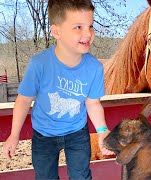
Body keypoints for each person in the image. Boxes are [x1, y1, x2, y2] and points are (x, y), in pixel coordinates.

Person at [2, 0, 114, 179]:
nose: (88, 33)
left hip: (77, 132)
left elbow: (92, 103)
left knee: (81, 176)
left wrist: (102, 131)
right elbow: (23, 100)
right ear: (56, 32)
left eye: (90, 26)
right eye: (78, 27)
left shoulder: (94, 67)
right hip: (44, 134)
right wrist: (14, 135)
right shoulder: (39, 64)